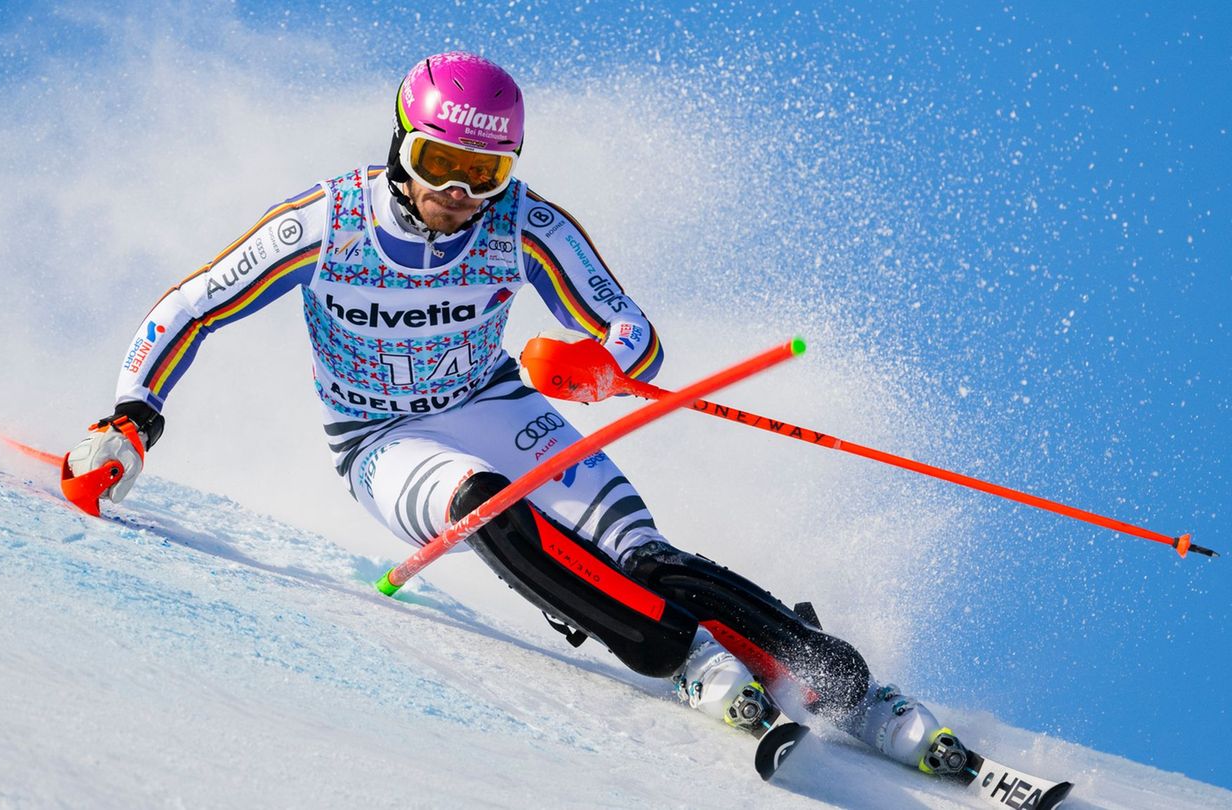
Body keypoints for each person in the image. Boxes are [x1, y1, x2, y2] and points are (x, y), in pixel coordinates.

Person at [64, 51, 970, 780]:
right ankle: (687, 660)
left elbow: (634, 334)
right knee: (486, 504)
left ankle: (852, 690)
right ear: (401, 146)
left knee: (645, 555)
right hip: (382, 439)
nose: (459, 194)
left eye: (484, 172)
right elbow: (191, 308)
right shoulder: (328, 222)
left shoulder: (523, 224)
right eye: (440, 165)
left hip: (495, 403)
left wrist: (600, 366)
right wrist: (130, 420)